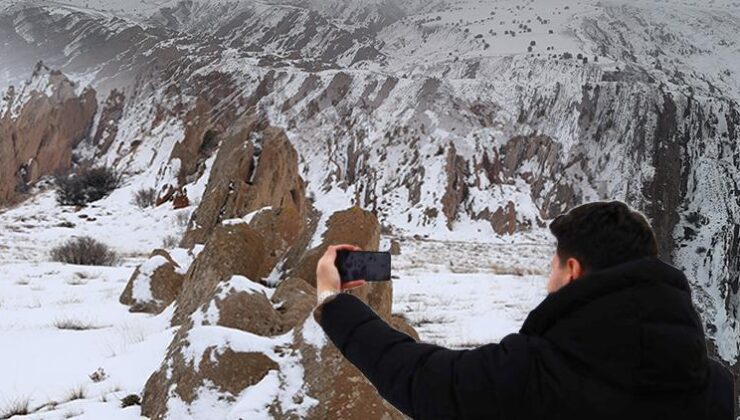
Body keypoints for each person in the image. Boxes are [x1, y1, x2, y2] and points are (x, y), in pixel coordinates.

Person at [313, 200, 736, 420]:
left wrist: (333, 303)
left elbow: (418, 377)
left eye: (552, 265)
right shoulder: (715, 389)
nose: (547, 279)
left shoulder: (535, 375)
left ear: (572, 270)